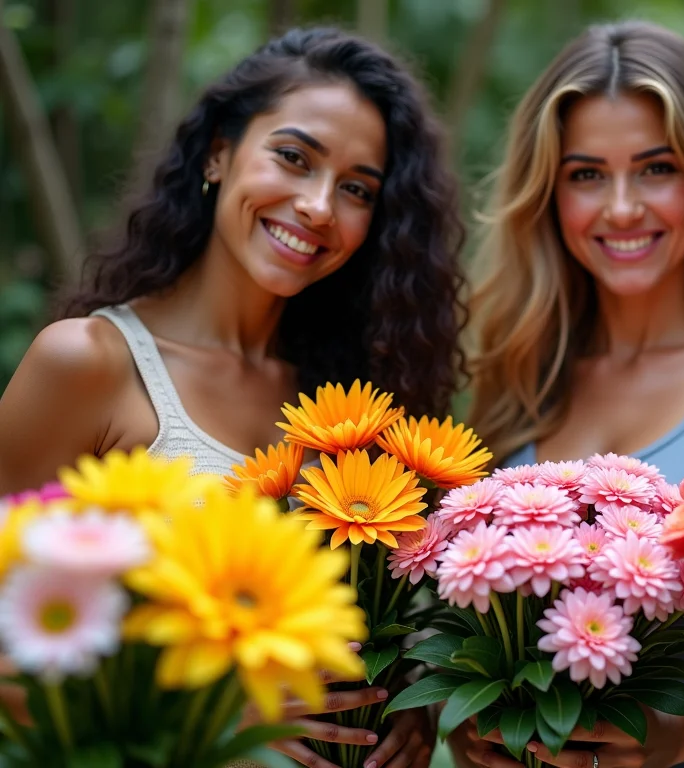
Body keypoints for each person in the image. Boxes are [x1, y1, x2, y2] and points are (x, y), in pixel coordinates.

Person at [0, 27, 463, 768]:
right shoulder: (87, 364)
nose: (318, 206)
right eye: (294, 157)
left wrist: (410, 704)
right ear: (218, 153)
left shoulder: (353, 413)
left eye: (356, 189)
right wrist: (217, 708)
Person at [458, 20, 684, 768]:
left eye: (656, 168)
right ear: (549, 195)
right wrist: (472, 737)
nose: (623, 207)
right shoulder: (516, 380)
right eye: (587, 175)